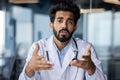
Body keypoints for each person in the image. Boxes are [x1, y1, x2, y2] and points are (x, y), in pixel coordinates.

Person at [19, 1, 107, 80]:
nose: (64, 26)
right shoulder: (38, 48)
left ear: (75, 27)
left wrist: (91, 68)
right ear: (51, 25)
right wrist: (30, 68)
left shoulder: (86, 48)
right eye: (60, 20)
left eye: (69, 22)